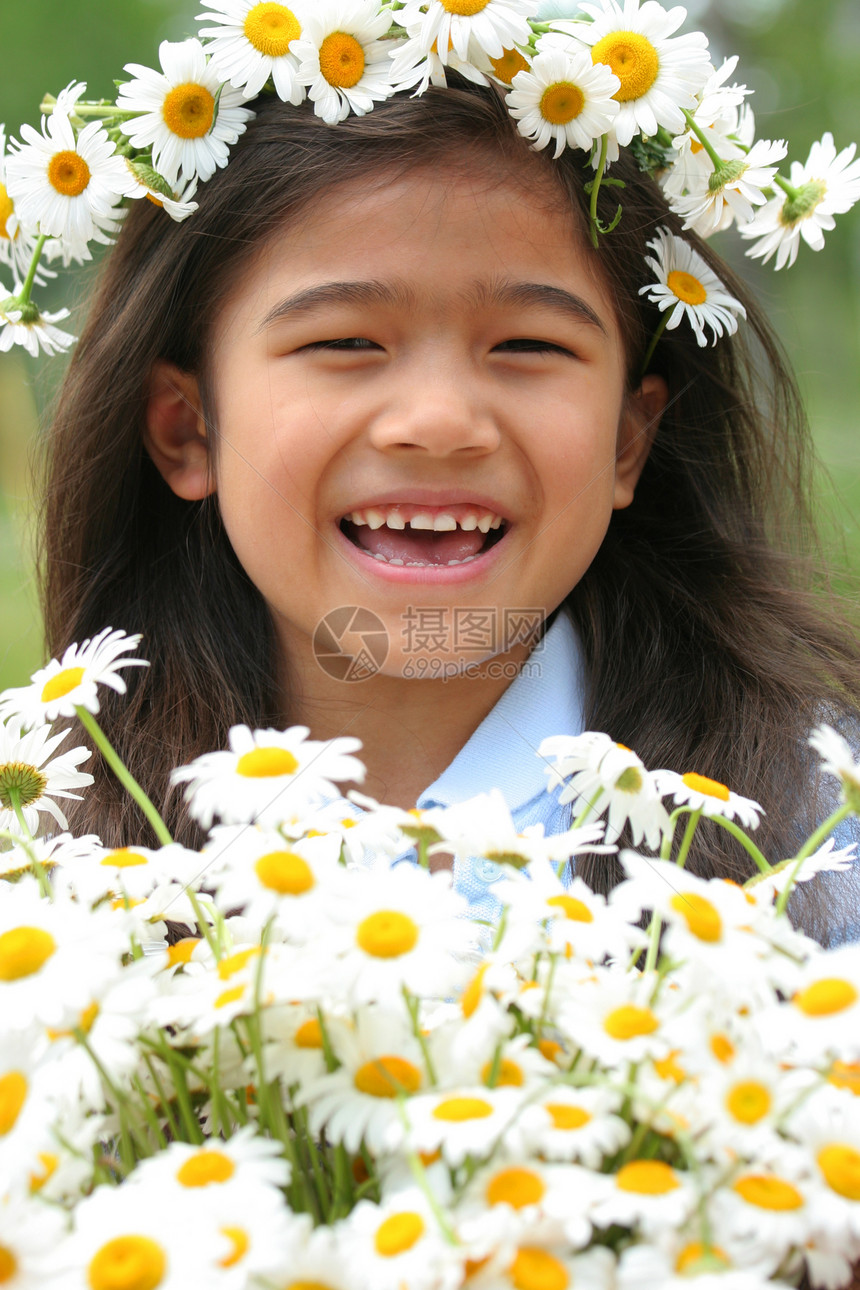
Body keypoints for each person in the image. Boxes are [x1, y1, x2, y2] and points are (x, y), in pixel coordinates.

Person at [33, 69, 860, 942]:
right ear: (187, 431)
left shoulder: (818, 844)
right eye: (346, 340)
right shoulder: (45, 870)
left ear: (629, 440)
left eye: (529, 344)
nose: (440, 424)